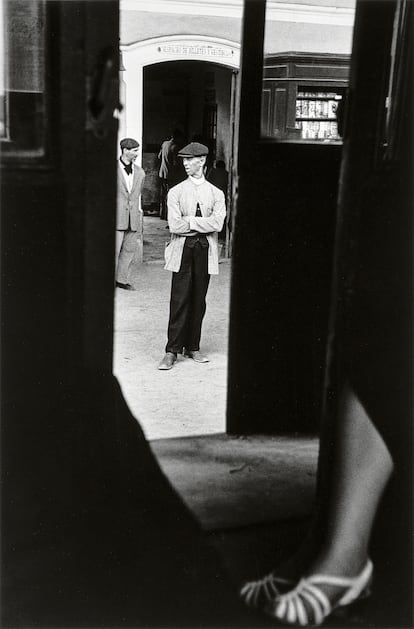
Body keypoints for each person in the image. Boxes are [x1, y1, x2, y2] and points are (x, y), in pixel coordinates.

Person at [158, 142, 226, 371]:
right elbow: (175, 225)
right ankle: (171, 350)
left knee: (199, 299)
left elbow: (218, 223)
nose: (186, 163)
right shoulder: (176, 192)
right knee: (179, 299)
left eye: (190, 159)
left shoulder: (216, 193)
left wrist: (191, 222)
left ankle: (193, 347)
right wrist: (201, 225)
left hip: (205, 251)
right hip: (182, 250)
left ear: (202, 161)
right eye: (184, 159)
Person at [116, 137, 146, 290]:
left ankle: (121, 280)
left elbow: (137, 194)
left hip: (133, 217)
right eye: (134, 151)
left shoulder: (140, 173)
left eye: (137, 150)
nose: (137, 154)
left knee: (129, 250)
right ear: (125, 150)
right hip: (115, 217)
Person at [158, 129, 186, 220]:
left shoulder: (164, 144)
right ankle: (170, 218)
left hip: (162, 173)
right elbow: (176, 163)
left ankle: (163, 215)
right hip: (171, 175)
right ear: (178, 138)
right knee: (172, 197)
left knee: (164, 195)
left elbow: (159, 156)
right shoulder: (175, 147)